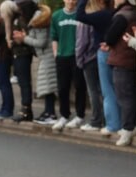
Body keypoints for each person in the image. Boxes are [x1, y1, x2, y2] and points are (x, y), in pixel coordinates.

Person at [76, 0, 122, 135]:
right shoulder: (119, 15)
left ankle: (112, 124)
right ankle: (120, 122)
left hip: (103, 52)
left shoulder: (102, 15)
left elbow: (80, 16)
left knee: (107, 90)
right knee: (118, 89)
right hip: (118, 52)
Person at [12, 3, 58, 125]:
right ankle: (48, 111)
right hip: (45, 56)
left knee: (48, 86)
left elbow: (41, 42)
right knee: (47, 85)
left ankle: (51, 113)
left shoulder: (39, 22)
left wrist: (24, 39)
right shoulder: (36, 20)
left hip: (47, 56)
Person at [105, 0, 136, 146]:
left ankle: (127, 129)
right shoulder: (135, 16)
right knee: (131, 96)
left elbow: (109, 37)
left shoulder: (122, 16)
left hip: (122, 61)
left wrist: (133, 41)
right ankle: (132, 126)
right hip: (132, 62)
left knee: (124, 97)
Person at [50, 0, 87, 131]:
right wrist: (55, 53)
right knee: (62, 87)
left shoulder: (81, 15)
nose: (71, 1)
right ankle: (64, 115)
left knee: (79, 86)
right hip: (62, 56)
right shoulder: (56, 16)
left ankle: (80, 115)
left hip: (77, 55)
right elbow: (54, 36)